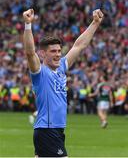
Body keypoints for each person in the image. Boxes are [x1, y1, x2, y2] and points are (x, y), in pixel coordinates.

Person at [22, 8, 104, 157]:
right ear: (43, 53)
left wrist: (95, 23)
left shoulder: (61, 67)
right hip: (47, 130)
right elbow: (29, 53)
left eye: (59, 51)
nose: (58, 54)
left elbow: (79, 45)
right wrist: (28, 25)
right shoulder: (40, 72)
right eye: (53, 51)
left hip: (56, 130)